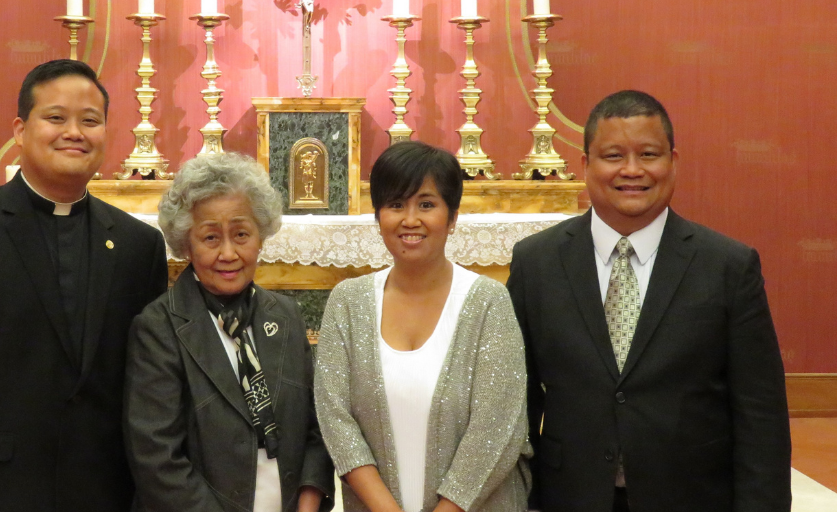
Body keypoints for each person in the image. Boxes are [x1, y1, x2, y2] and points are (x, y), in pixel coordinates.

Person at [0, 59, 168, 512]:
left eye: (90, 120)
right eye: (56, 117)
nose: (74, 132)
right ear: (20, 130)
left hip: (106, 491)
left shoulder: (140, 246)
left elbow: (152, 387)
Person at [506, 90, 791, 512]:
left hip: (691, 496)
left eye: (649, 154)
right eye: (614, 156)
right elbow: (517, 404)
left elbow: (761, 416)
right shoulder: (537, 263)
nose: (632, 170)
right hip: (569, 496)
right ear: (585, 165)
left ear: (673, 162)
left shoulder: (728, 266)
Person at [315, 141, 532, 512]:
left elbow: (498, 430)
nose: (410, 220)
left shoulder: (488, 303)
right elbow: (335, 418)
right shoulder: (347, 302)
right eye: (396, 204)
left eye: (427, 204)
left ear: (452, 217)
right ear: (378, 215)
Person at [124, 152, 335, 512]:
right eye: (209, 238)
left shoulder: (285, 316)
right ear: (185, 243)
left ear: (261, 235)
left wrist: (309, 501)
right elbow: (156, 457)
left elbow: (316, 427)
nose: (228, 253)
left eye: (241, 234)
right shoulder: (158, 327)